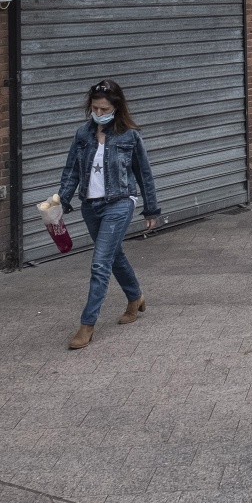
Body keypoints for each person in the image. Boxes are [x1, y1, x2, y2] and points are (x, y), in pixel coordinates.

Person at [55, 78, 161, 350]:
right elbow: (72, 172)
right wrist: (60, 203)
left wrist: (150, 208)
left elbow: (143, 173)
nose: (98, 113)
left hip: (120, 202)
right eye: (95, 108)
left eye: (104, 109)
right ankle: (135, 298)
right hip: (91, 206)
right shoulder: (82, 135)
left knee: (99, 263)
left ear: (116, 107)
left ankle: (86, 326)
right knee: (113, 256)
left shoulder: (130, 136)